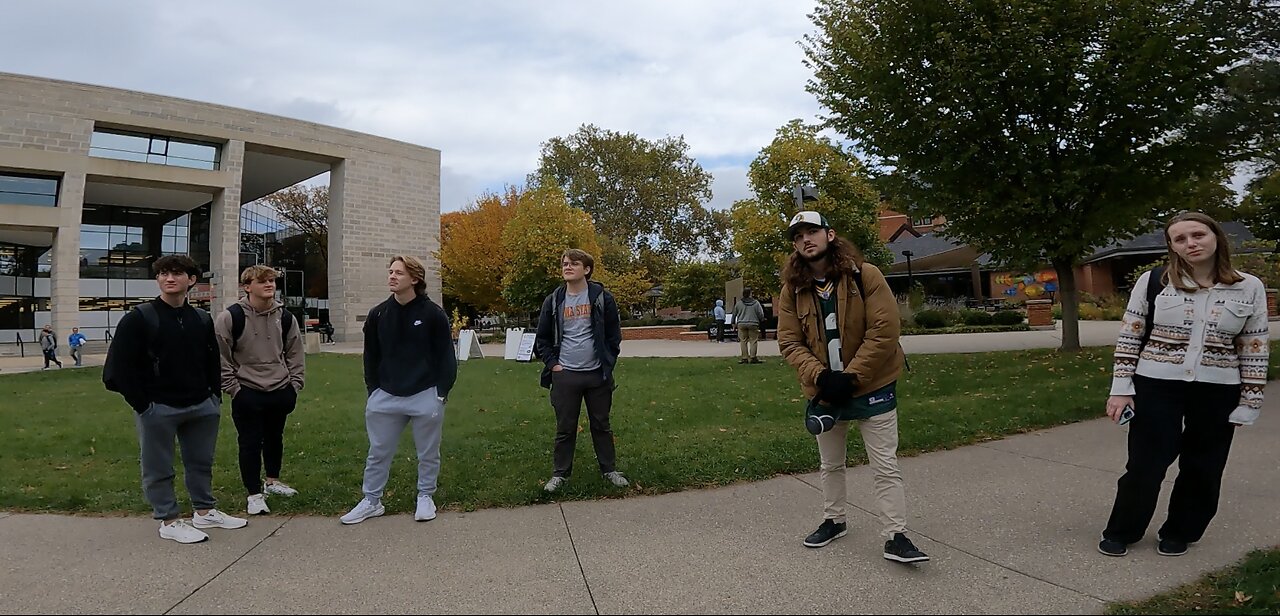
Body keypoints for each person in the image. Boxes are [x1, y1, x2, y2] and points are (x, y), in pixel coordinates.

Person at [1099, 212, 1269, 558]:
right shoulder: (1154, 282)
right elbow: (1130, 336)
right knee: (1146, 463)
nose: (1191, 243)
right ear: (1172, 247)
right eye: (1180, 239)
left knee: (1204, 465)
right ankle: (1123, 530)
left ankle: (1180, 531)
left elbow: (1254, 345)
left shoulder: (1248, 286)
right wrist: (1121, 387)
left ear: (1216, 237)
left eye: (1198, 235)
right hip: (1157, 385)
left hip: (1217, 389)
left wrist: (1250, 401)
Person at [776, 211, 929, 564]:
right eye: (798, 236)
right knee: (830, 464)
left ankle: (896, 536)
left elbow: (884, 331)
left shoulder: (865, 275)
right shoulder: (792, 289)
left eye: (812, 231)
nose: (805, 240)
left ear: (830, 235)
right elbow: (789, 341)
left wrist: (851, 376)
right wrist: (821, 377)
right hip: (824, 391)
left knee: (884, 465)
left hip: (873, 385)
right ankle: (834, 520)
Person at [102, 254, 247, 544]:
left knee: (200, 462)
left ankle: (205, 512)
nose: (169, 278)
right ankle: (168, 520)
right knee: (158, 467)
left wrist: (213, 397)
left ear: (191, 280)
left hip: (201, 405)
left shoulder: (201, 318)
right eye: (164, 273)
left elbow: (211, 361)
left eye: (177, 274)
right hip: (158, 407)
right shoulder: (138, 318)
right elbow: (116, 371)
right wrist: (144, 405)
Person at [341, 255, 457, 525]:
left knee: (428, 452)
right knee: (378, 451)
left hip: (425, 394)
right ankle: (371, 500)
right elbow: (370, 356)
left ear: (415, 279)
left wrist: (440, 393)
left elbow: (446, 357)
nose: (392, 277)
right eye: (391, 272)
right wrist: (373, 392)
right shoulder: (378, 314)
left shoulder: (433, 314)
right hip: (385, 396)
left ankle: (425, 496)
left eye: (399, 273)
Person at [215, 265, 306, 516]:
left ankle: (272, 481)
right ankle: (254, 494)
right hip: (247, 390)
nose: (269, 285)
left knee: (275, 437)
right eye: (262, 281)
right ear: (247, 287)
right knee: (250, 442)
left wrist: (294, 384)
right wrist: (234, 389)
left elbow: (295, 352)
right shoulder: (231, 317)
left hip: (280, 388)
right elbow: (221, 356)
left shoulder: (285, 317)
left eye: (272, 281)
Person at [535, 248, 627, 493]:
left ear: (586, 270)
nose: (567, 267)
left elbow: (613, 335)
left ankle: (609, 470)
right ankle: (560, 474)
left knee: (601, 425)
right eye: (565, 263)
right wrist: (554, 365)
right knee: (565, 427)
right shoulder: (554, 300)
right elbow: (541, 339)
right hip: (566, 375)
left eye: (574, 263)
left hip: (597, 374)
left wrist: (608, 360)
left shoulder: (602, 298)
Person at [733, 288, 766, 364]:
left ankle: (744, 358)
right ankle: (753, 357)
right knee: (753, 340)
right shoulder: (756, 303)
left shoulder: (739, 303)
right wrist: (761, 320)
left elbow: (734, 313)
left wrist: (733, 323)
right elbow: (760, 313)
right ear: (750, 294)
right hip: (753, 323)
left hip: (741, 323)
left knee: (743, 341)